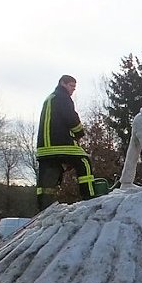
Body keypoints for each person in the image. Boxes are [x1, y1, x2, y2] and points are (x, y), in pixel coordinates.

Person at [36, 75, 96, 210]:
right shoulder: (63, 97)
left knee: (47, 180)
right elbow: (71, 118)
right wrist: (80, 132)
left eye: (74, 87)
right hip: (60, 144)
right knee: (84, 161)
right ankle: (90, 197)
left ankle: (43, 208)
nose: (73, 90)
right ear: (62, 84)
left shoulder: (49, 99)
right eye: (71, 86)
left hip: (43, 149)